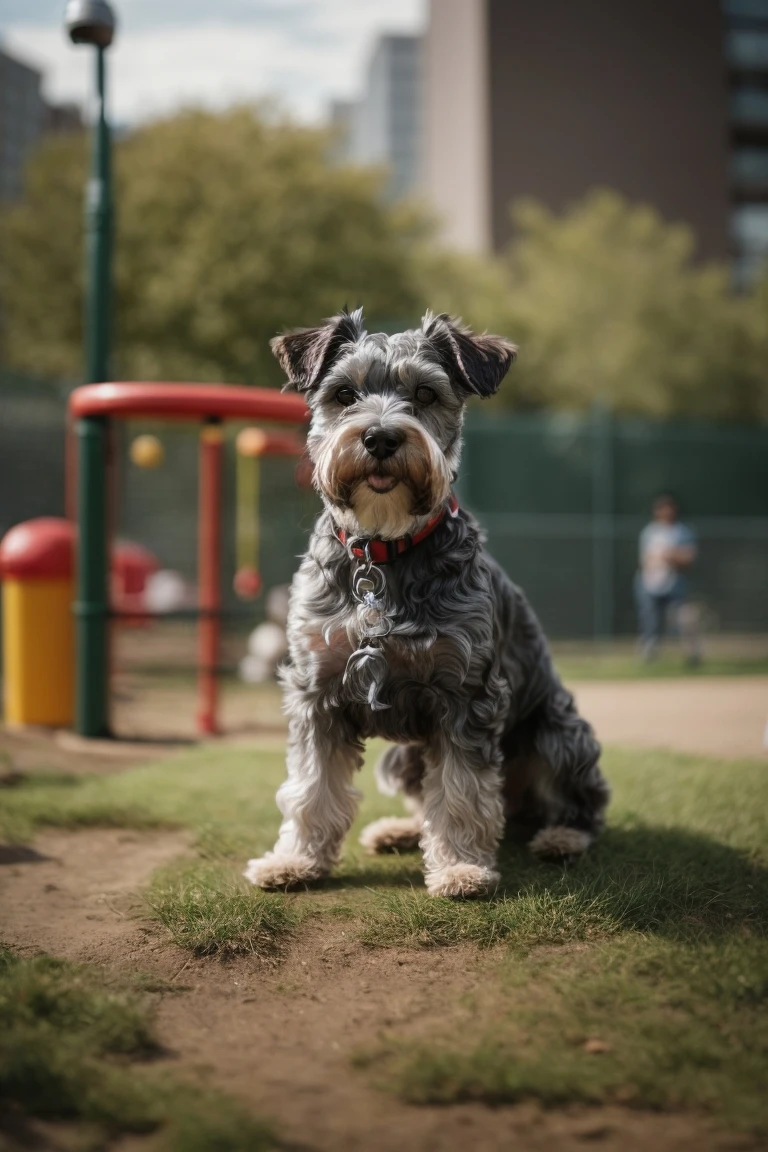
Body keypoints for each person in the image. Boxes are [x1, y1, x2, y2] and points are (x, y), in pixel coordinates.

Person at [635, 493, 700, 664]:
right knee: (650, 621)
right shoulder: (649, 532)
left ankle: (692, 655)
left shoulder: (682, 532)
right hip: (651, 584)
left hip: (675, 584)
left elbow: (689, 557)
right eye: (662, 509)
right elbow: (645, 560)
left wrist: (670, 555)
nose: (666, 512)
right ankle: (649, 656)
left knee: (684, 618)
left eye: (669, 508)